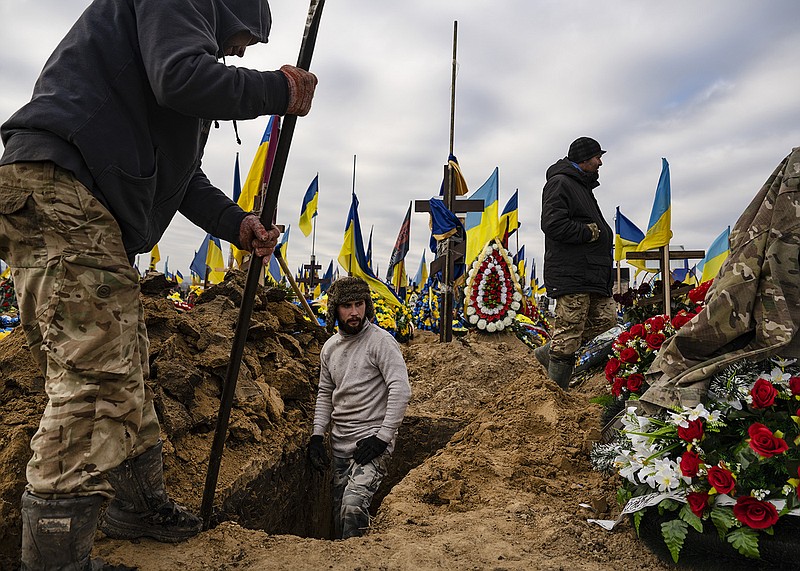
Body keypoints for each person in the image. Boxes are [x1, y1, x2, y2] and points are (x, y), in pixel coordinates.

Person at [0, 0, 317, 568]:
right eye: (247, 37)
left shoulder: (174, 58)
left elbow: (185, 179)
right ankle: (53, 560)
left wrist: (237, 225)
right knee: (96, 375)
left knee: (123, 359)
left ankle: (137, 507)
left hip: (73, 192)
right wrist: (276, 90)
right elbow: (180, 80)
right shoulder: (178, 17)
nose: (243, 51)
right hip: (65, 183)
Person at [307, 277, 411, 539]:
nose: (354, 313)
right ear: (335, 310)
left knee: (353, 508)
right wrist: (317, 436)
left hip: (372, 444)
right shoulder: (329, 349)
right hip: (341, 446)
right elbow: (325, 393)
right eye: (346, 306)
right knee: (339, 513)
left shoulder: (381, 342)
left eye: (359, 304)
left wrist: (382, 439)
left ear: (367, 306)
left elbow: (400, 389)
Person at [534, 137, 615, 388]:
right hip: (573, 273)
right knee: (569, 335)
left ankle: (547, 352)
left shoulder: (581, 186)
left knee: (608, 320)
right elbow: (552, 224)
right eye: (596, 157)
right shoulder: (560, 183)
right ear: (583, 158)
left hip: (591, 273)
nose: (600, 162)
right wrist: (588, 232)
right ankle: (556, 396)